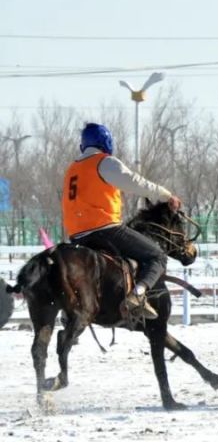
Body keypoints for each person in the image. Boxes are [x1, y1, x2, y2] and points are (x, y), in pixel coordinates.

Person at [62, 122, 182, 320]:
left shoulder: (72, 169)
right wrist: (166, 196)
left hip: (76, 236)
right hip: (104, 229)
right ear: (106, 142)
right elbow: (135, 182)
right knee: (157, 256)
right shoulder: (104, 162)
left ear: (83, 144)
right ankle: (137, 296)